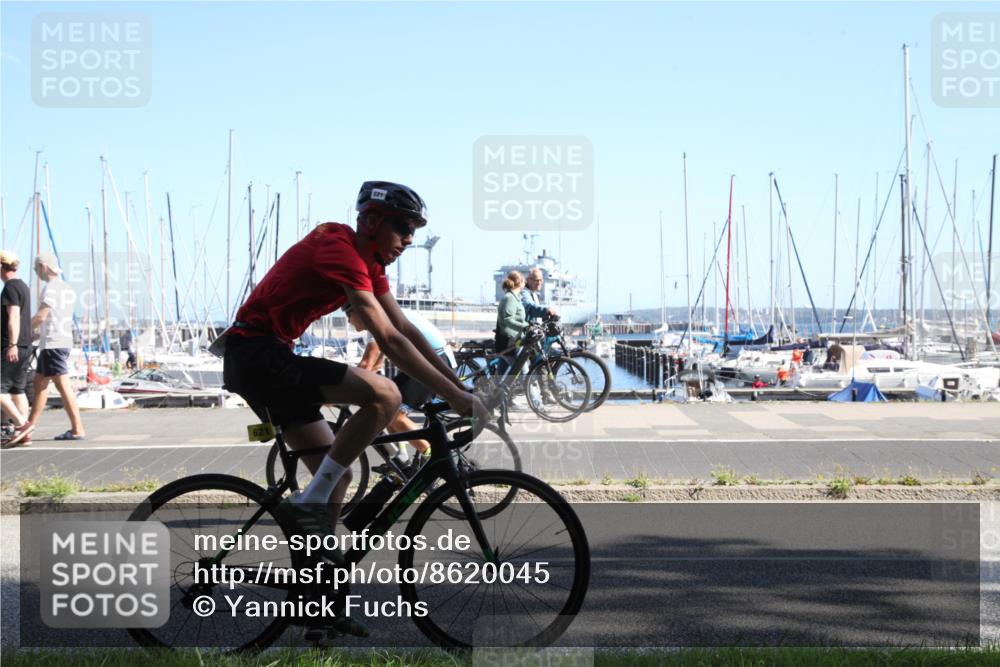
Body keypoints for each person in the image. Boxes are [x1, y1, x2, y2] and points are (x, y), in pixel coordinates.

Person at [221, 181, 487, 566]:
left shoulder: (370, 264)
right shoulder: (339, 248)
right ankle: (310, 505)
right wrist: (455, 397)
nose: (410, 239)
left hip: (266, 357)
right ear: (372, 222)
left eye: (414, 230)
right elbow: (389, 339)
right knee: (386, 394)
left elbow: (405, 328)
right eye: (403, 227)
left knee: (337, 478)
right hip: (257, 354)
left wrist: (461, 388)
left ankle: (318, 580)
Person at [343, 302, 454, 469]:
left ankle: (437, 458)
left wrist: (338, 390)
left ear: (359, 311)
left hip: (432, 363)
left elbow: (366, 365)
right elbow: (375, 365)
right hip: (425, 362)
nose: (348, 321)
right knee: (387, 404)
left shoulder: (377, 318)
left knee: (395, 416)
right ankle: (402, 460)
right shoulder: (378, 316)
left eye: (348, 315)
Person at [24, 252, 86, 441]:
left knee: (62, 386)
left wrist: (23, 331)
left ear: (43, 266)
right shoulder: (66, 288)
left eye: (36, 269)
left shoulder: (50, 288)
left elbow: (41, 316)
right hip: (58, 341)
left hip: (53, 344)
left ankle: (77, 429)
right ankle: (28, 427)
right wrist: (37, 334)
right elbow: (56, 318)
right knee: (39, 384)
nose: (36, 273)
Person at [1, 250, 34, 447]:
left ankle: (22, 425)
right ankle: (25, 436)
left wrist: (11, 344)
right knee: (17, 389)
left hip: (13, 345)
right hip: (25, 344)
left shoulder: (10, 288)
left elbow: (13, 316)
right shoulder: (23, 286)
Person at [495, 270, 529, 354]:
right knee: (522, 363)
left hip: (514, 339)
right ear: (520, 283)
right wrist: (525, 327)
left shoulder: (515, 298)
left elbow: (518, 319)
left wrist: (529, 325)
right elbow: (508, 320)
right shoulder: (510, 298)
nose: (525, 284)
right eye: (524, 281)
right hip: (508, 341)